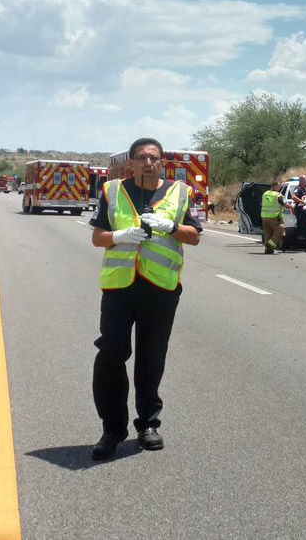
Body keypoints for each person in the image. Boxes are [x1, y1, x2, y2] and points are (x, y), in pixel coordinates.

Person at [88, 137, 202, 460]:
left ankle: (148, 424)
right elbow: (97, 237)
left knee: (151, 357)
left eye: (154, 157)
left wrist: (171, 227)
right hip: (119, 287)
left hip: (160, 289)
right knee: (111, 355)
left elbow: (194, 237)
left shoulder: (180, 192)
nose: (148, 163)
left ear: (162, 162)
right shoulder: (112, 191)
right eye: (141, 157)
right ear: (130, 163)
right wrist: (119, 236)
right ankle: (112, 428)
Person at [289, 175, 306, 252]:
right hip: (300, 211)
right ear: (300, 181)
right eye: (304, 180)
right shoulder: (298, 188)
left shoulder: (305, 189)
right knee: (301, 229)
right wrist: (301, 201)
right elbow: (293, 197)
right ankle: (286, 243)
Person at [260, 181, 285, 254]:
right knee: (281, 231)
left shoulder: (265, 193)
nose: (280, 187)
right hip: (275, 217)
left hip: (264, 217)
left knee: (268, 234)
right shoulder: (277, 195)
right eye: (279, 186)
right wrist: (290, 206)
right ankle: (270, 245)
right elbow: (283, 203)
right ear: (275, 186)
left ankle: (268, 250)